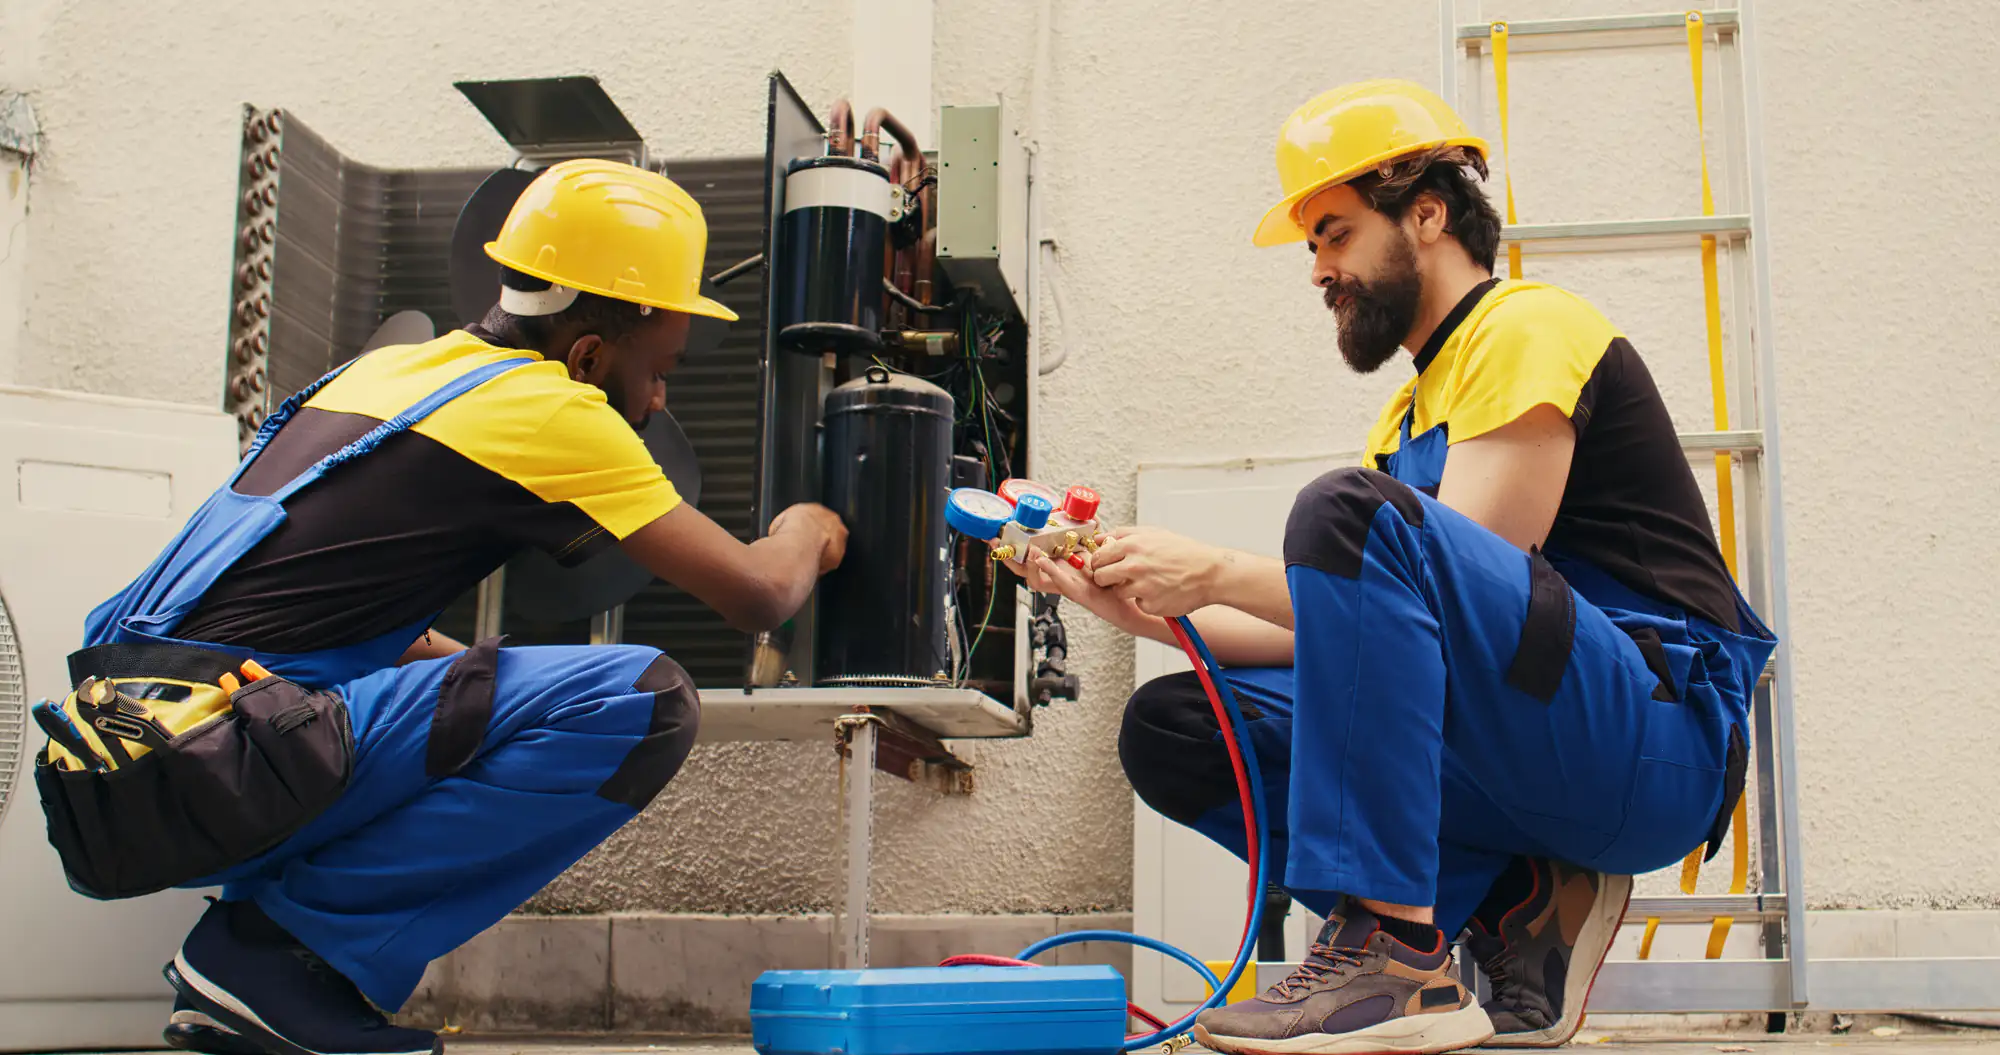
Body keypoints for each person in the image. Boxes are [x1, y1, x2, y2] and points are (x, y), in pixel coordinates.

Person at [1020, 81, 1776, 1055]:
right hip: (1525, 746)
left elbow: (1457, 579)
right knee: (1177, 725)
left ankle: (1392, 953)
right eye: (1312, 247)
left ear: (1423, 213)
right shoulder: (1405, 420)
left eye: (1332, 234)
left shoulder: (1525, 327)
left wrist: (1209, 565)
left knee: (1346, 514)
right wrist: (1136, 599)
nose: (1317, 270)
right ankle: (1516, 905)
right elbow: (1364, 628)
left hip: (1651, 733)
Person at [70, 159, 847, 1055]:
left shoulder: (390, 374)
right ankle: (277, 961)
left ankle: (256, 967)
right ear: (589, 354)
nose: (661, 396)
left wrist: (477, 676)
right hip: (224, 762)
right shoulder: (553, 408)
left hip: (125, 766)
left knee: (471, 679)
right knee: (639, 699)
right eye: (662, 367)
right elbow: (757, 591)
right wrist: (810, 526)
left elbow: (303, 613)